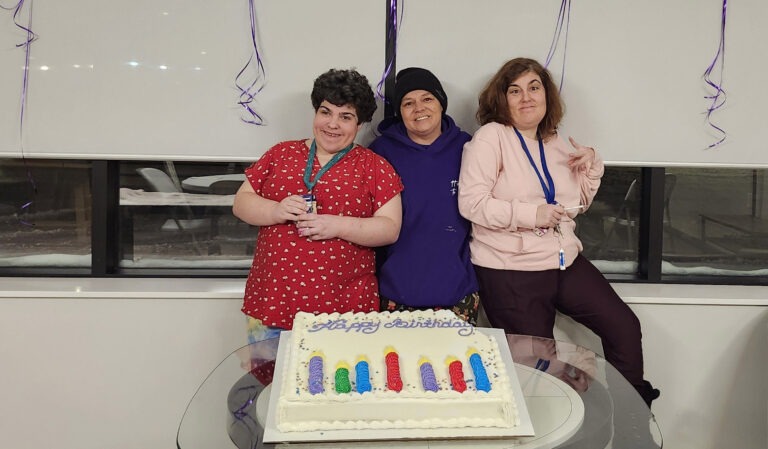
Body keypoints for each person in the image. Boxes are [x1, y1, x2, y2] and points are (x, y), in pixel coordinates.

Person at [458, 57, 659, 407]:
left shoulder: (554, 140)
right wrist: (531, 214)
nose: (526, 98)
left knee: (624, 327)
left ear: (546, 95)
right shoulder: (491, 138)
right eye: (515, 91)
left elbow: (574, 205)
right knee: (537, 369)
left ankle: (633, 414)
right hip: (511, 269)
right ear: (501, 99)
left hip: (562, 259)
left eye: (534, 88)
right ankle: (550, 432)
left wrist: (591, 167)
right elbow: (472, 204)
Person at [233, 68, 404, 342]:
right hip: (273, 303)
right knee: (270, 382)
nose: (332, 124)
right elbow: (241, 202)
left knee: (340, 382)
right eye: (326, 112)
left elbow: (389, 228)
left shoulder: (375, 167)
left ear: (359, 124)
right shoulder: (280, 153)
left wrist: (337, 225)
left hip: (344, 312)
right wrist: (274, 211)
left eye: (345, 117)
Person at [368, 67, 480, 324]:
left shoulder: (469, 147)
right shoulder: (380, 153)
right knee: (398, 364)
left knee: (457, 365)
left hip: (457, 294)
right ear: (400, 112)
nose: (419, 108)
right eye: (408, 103)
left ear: (441, 104)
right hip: (397, 294)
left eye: (427, 99)